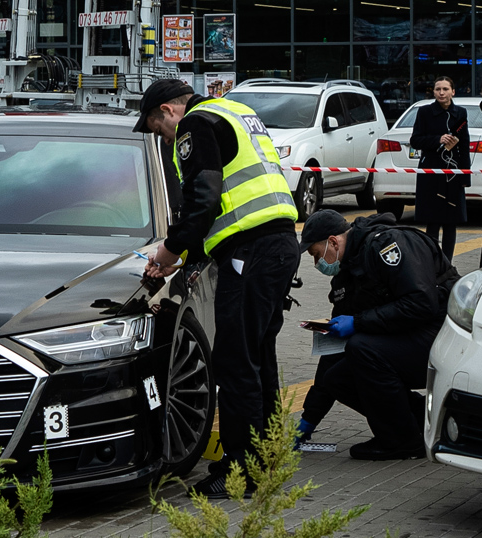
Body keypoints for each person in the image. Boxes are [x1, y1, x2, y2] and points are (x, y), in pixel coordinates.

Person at [133, 78, 299, 497]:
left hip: (252, 249)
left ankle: (241, 470)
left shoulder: (195, 123)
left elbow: (202, 199)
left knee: (235, 360)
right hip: (276, 244)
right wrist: (190, 255)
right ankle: (265, 455)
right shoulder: (237, 112)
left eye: (158, 129)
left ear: (168, 112)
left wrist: (168, 253)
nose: (164, 138)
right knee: (257, 354)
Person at [298, 209, 458, 460]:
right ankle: (419, 422)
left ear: (333, 242)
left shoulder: (388, 246)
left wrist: (359, 322)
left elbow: (421, 303)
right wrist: (309, 419)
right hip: (409, 336)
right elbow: (333, 347)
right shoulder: (347, 270)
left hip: (444, 338)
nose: (316, 263)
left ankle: (402, 443)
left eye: (316, 255)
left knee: (362, 349)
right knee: (336, 378)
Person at [409, 76, 470, 262]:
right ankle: (432, 263)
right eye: (438, 89)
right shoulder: (425, 112)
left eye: (445, 89)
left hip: (453, 173)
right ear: (433, 92)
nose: (441, 93)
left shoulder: (460, 113)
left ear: (453, 91)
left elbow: (465, 145)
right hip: (431, 173)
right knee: (433, 222)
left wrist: (465, 176)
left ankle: (447, 264)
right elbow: (415, 140)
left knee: (451, 222)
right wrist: (438, 139)